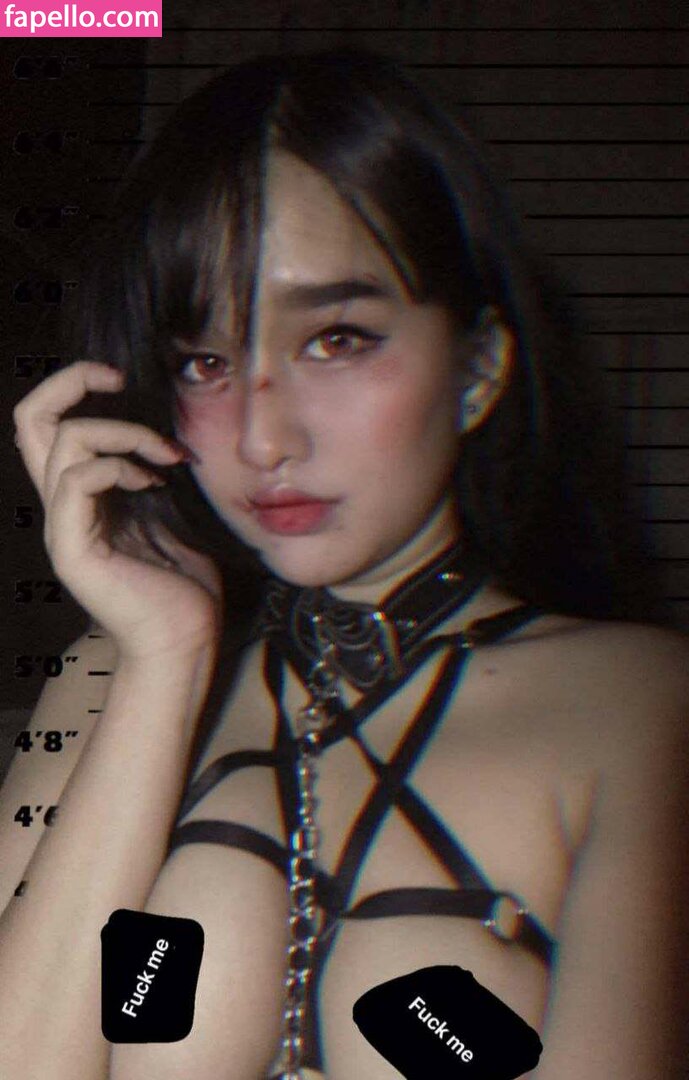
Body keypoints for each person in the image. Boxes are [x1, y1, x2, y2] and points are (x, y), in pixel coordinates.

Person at [1, 48, 688, 1080]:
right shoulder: (112, 675)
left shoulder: (640, 703)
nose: (262, 437)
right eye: (207, 361)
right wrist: (164, 661)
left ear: (478, 368)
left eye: (336, 339)